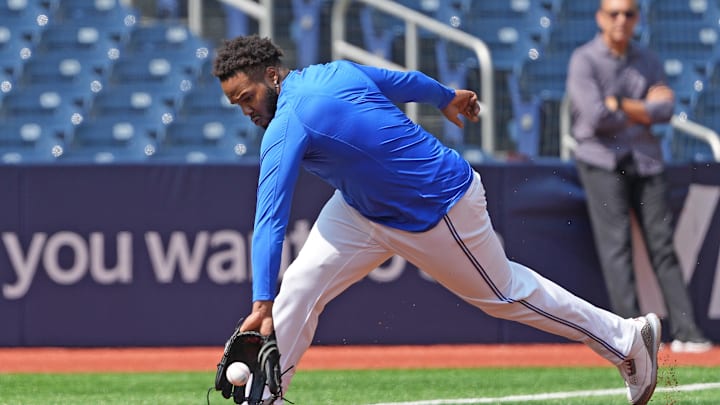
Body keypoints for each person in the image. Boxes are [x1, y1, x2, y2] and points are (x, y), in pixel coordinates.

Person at [212, 34, 661, 405]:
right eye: (236, 103)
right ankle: (265, 399)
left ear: (272, 75)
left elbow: (269, 219)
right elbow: (403, 82)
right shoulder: (336, 71)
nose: (246, 109)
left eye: (247, 96)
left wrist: (259, 304)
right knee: (300, 288)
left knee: (505, 294)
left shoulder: (287, 123)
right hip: (361, 208)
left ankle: (625, 338)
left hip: (437, 206)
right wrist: (447, 97)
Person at [566, 0, 712, 354]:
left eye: (629, 13)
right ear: (600, 18)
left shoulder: (648, 58)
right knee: (616, 249)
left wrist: (621, 103)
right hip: (601, 162)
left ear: (637, 19)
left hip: (646, 162)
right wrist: (641, 108)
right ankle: (633, 339)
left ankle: (688, 332)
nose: (621, 20)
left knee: (663, 248)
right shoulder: (584, 59)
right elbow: (596, 116)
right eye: (614, 13)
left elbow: (665, 110)